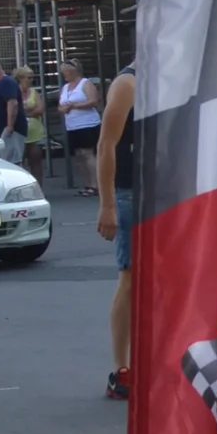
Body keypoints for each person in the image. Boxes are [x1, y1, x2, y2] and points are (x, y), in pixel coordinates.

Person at [95, 62, 137, 401]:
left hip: (171, 191)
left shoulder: (181, 76)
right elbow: (106, 144)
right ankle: (121, 369)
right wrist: (107, 205)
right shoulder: (128, 83)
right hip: (131, 193)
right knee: (131, 277)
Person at [60, 61, 103, 192]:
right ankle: (87, 184)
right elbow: (60, 105)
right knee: (78, 155)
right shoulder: (65, 87)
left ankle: (96, 184)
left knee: (88, 153)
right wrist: (63, 109)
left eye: (66, 72)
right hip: (72, 125)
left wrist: (75, 106)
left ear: (74, 71)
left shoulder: (86, 83)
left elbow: (93, 101)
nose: (64, 75)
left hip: (87, 123)